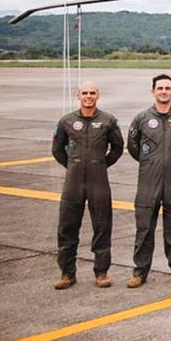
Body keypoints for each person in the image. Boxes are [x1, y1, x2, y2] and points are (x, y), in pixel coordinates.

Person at [51, 81, 124, 290]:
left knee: (102, 225)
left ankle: (101, 272)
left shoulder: (108, 120)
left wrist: (100, 164)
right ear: (78, 95)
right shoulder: (66, 121)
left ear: (98, 96)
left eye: (92, 93)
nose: (88, 96)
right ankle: (67, 273)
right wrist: (73, 165)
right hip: (73, 181)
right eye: (85, 93)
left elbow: (117, 147)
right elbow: (57, 149)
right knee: (67, 226)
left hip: (98, 180)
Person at [126, 74, 171, 288]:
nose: (164, 91)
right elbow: (133, 146)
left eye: (167, 88)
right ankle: (140, 272)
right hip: (148, 180)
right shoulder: (141, 118)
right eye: (160, 88)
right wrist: (151, 163)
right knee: (144, 227)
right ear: (153, 92)